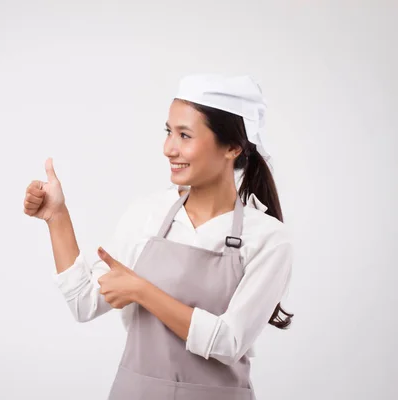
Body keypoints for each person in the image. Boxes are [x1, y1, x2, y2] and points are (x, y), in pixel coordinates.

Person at [23, 73, 293, 400]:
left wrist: (142, 291)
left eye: (185, 135)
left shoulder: (267, 238)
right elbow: (85, 302)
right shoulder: (148, 214)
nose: (169, 148)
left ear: (233, 147)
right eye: (168, 132)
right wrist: (56, 217)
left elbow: (228, 343)